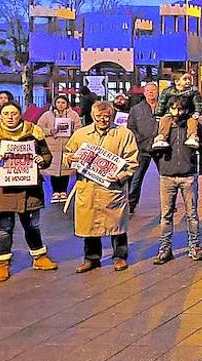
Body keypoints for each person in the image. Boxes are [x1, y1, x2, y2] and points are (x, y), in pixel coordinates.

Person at [0, 103, 57, 281]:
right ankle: (3, 265)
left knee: (32, 225)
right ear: (0, 116)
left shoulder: (33, 133)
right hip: (0, 190)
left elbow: (47, 156)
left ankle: (39, 258)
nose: (10, 117)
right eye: (6, 113)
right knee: (4, 228)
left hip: (29, 189)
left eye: (14, 113)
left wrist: (42, 160)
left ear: (20, 115)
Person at [64, 101, 139, 272]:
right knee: (89, 224)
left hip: (112, 188)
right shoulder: (81, 134)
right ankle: (91, 258)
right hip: (88, 187)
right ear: (92, 116)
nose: (103, 120)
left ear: (112, 116)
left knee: (117, 224)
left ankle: (120, 256)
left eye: (107, 117)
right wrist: (70, 159)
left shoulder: (124, 134)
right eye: (99, 117)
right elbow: (67, 154)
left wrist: (120, 176)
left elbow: (132, 161)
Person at [151, 95, 202, 263]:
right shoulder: (163, 124)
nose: (177, 112)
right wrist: (160, 161)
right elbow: (151, 148)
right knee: (166, 215)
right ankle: (165, 249)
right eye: (174, 108)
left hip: (188, 175)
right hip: (167, 175)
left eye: (181, 109)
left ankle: (194, 247)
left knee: (192, 214)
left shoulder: (192, 124)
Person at [37, 94, 82, 202]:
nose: (60, 105)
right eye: (58, 102)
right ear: (55, 103)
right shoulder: (47, 115)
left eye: (63, 102)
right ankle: (55, 192)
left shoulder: (73, 115)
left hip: (67, 145)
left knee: (65, 170)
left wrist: (71, 132)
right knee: (54, 171)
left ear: (67, 104)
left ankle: (63, 192)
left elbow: (79, 129)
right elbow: (38, 128)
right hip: (52, 146)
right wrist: (50, 131)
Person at [126, 82, 160, 213]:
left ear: (157, 92)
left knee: (166, 179)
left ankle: (170, 204)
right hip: (142, 149)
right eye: (148, 91)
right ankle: (131, 204)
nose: (151, 93)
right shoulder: (136, 109)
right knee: (136, 178)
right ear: (144, 93)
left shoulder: (165, 108)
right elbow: (131, 128)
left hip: (160, 148)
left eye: (153, 91)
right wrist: (141, 140)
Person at [153, 72, 202, 150]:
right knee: (165, 120)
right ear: (177, 81)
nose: (188, 81)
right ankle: (161, 137)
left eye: (189, 79)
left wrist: (197, 112)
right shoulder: (168, 91)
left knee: (192, 121)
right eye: (185, 79)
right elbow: (161, 103)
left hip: (187, 113)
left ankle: (192, 136)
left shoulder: (193, 91)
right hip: (171, 113)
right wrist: (158, 114)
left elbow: (198, 102)